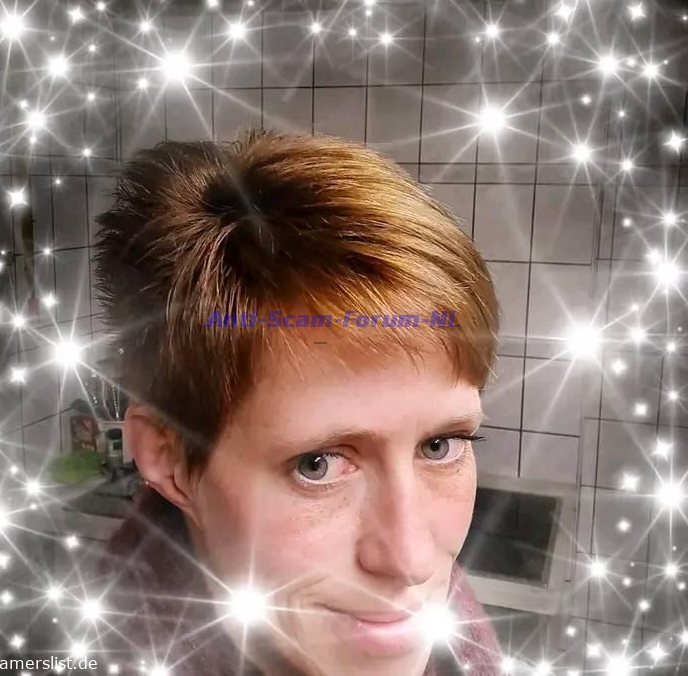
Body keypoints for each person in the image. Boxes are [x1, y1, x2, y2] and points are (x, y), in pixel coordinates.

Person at [92, 129, 503, 676]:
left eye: (440, 446)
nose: (412, 560)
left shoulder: (461, 643)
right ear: (170, 461)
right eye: (318, 464)